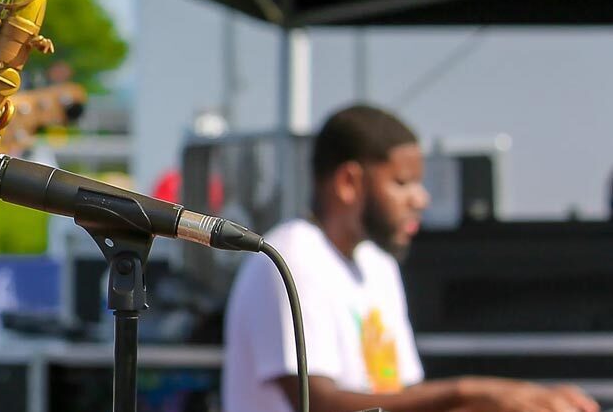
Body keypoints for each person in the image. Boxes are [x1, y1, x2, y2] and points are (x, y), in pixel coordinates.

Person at [221, 105, 599, 412]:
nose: (420, 199)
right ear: (348, 182)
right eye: (402, 183)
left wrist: (512, 402)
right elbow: (320, 405)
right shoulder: (291, 255)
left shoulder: (378, 264)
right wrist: (472, 392)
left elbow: (403, 397)